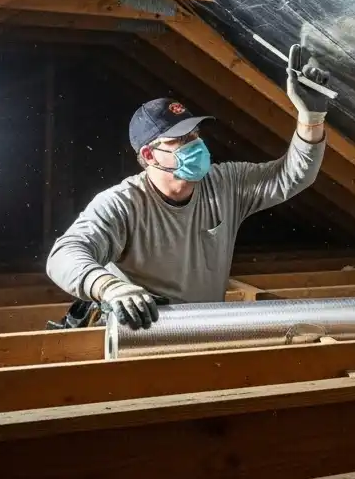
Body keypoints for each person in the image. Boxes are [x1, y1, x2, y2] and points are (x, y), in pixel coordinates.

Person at [45, 44, 333, 330]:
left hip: (203, 329)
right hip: (142, 334)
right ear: (149, 155)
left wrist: (311, 120)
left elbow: (292, 175)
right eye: (180, 140)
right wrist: (108, 286)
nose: (195, 144)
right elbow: (65, 254)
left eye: (195, 134)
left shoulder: (224, 184)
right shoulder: (123, 204)